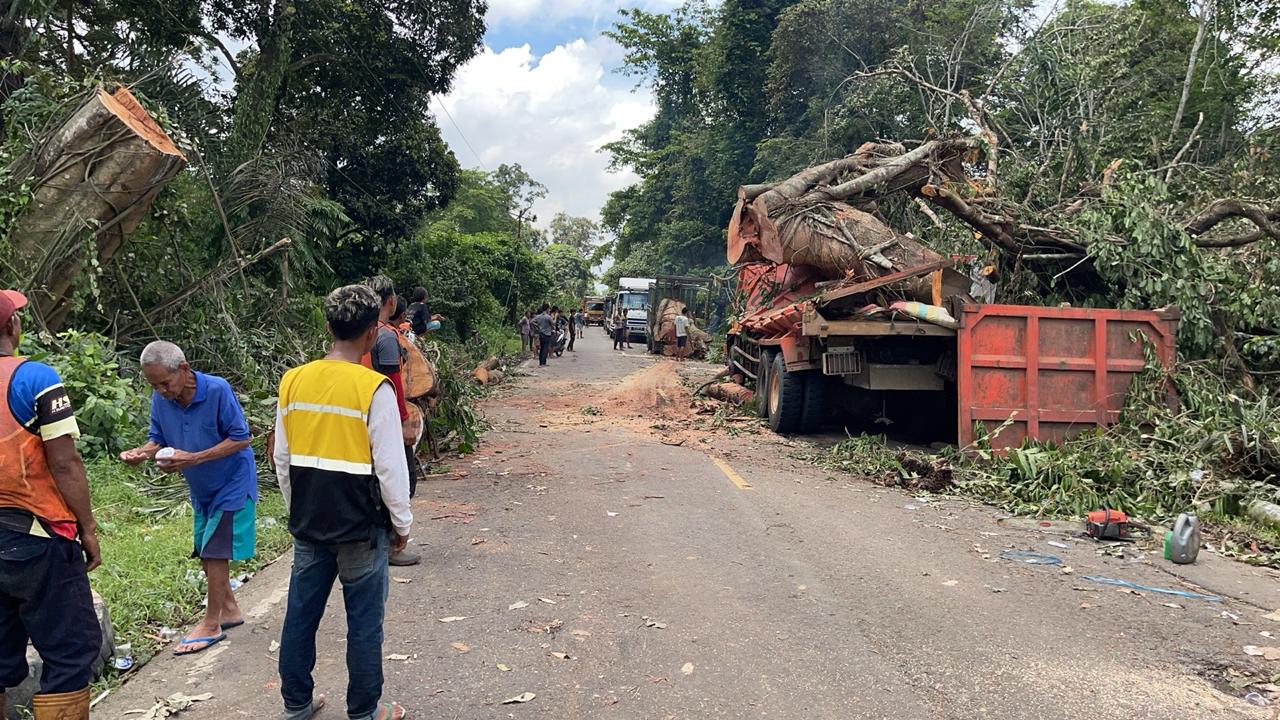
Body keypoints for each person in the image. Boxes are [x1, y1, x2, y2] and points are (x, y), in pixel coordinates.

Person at [274, 284, 412, 720]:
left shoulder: (293, 381)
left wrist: (299, 507)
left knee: (300, 617)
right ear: (373, 332)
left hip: (310, 523)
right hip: (361, 527)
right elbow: (390, 468)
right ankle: (364, 712)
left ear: (329, 326)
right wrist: (401, 524)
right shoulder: (374, 389)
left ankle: (297, 705)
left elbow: (281, 459)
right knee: (364, 626)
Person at [0, 290, 103, 720]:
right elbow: (64, 462)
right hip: (37, 537)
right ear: (11, 328)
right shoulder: (35, 378)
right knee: (70, 652)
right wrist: (88, 529)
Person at [119, 341, 258, 656]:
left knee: (215, 550)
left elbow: (240, 438)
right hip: (201, 487)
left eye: (165, 383)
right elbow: (159, 438)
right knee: (203, 548)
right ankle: (230, 610)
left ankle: (211, 624)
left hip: (232, 480)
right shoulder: (161, 398)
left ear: (184, 369)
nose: (161, 391)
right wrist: (143, 453)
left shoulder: (217, 390)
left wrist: (193, 458)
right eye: (154, 385)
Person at [363, 276, 420, 567]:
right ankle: (390, 544)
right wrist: (404, 420)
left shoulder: (363, 332)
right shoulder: (385, 336)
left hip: (362, 411)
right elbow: (393, 382)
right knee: (402, 477)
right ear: (391, 301)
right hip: (384, 414)